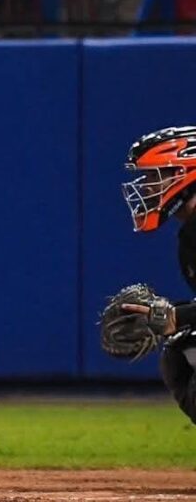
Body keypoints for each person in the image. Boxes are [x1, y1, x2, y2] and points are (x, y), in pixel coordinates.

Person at [118, 126, 196, 423]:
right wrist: (169, 313)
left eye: (156, 176)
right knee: (183, 349)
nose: (148, 187)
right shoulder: (190, 236)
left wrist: (178, 316)